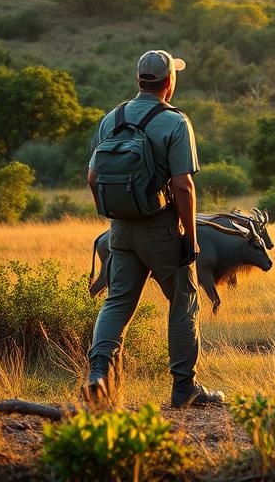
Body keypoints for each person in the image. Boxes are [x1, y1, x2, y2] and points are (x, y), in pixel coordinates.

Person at [85, 50, 224, 408]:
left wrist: (115, 214)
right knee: (184, 301)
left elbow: (92, 176)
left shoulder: (110, 118)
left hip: (120, 229)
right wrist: (190, 239)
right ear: (169, 83)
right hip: (160, 228)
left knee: (117, 301)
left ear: (138, 80)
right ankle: (184, 388)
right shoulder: (175, 122)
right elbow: (183, 187)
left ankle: (98, 372)